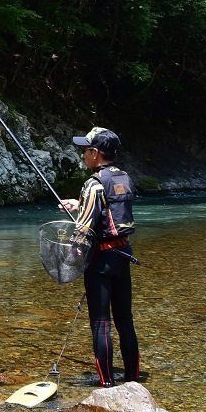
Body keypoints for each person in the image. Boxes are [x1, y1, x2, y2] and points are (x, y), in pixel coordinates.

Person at [58, 127, 137, 387]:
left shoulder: (93, 184)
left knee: (101, 322)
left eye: (86, 150)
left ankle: (106, 384)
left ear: (95, 153)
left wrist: (72, 255)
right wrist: (78, 203)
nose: (83, 154)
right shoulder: (124, 178)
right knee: (125, 320)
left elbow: (83, 229)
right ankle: (133, 379)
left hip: (101, 262)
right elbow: (111, 206)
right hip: (122, 255)